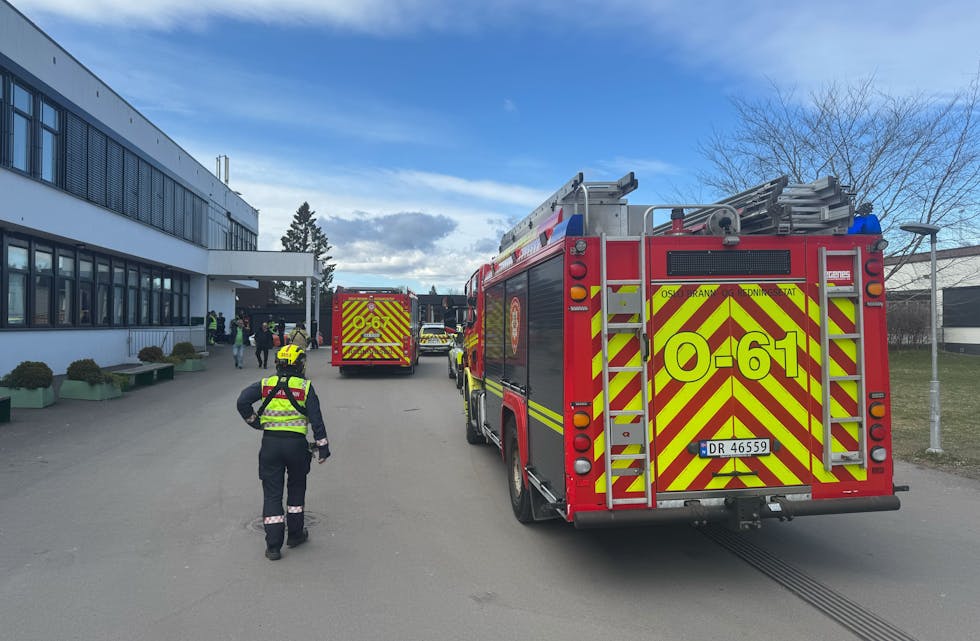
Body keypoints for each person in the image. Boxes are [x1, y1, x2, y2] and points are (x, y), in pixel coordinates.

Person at [236, 345, 331, 560]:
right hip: (296, 446)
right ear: (300, 364)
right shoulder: (305, 387)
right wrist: (323, 448)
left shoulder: (266, 384)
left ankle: (273, 547)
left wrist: (255, 422)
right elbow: (317, 420)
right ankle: (295, 535)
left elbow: (242, 401)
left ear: (278, 363)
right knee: (296, 491)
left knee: (272, 494)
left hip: (270, 445)